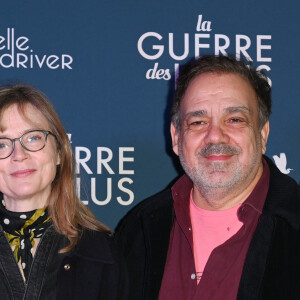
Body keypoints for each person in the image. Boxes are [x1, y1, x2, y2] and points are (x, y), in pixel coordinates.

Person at [115, 55, 300, 299]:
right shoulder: (138, 231)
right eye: (198, 121)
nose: (215, 136)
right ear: (176, 137)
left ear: (262, 134)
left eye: (234, 120)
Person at [0, 84, 127, 300]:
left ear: (59, 152)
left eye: (33, 138)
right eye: (2, 144)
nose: (19, 155)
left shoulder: (102, 254)